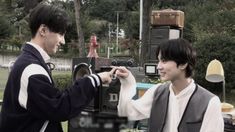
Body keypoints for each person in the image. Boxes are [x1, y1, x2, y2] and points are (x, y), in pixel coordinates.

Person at [0, 4, 115, 132]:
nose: (63, 41)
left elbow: (53, 99)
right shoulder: (31, 69)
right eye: (61, 34)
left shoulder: (27, 62)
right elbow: (59, 107)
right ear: (43, 30)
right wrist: (95, 79)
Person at [115, 38, 224, 132]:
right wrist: (127, 82)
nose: (158, 66)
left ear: (183, 64)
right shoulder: (157, 92)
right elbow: (126, 113)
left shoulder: (209, 102)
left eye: (164, 61)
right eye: (158, 61)